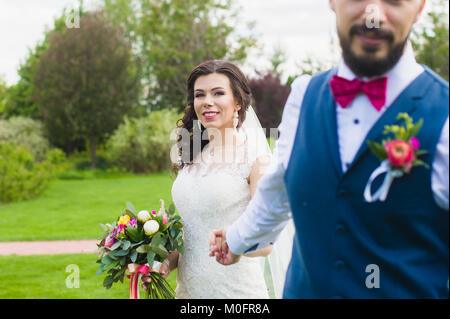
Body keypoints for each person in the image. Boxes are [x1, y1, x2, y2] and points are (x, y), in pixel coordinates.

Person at [209, 0, 449, 298]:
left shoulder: (445, 115)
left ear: (420, 6)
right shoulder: (303, 96)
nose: (373, 14)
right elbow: (278, 190)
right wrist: (235, 240)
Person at [144, 60, 275, 298]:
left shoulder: (257, 161)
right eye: (199, 94)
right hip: (188, 293)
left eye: (218, 93)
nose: (207, 101)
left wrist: (234, 242)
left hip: (236, 293)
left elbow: (266, 241)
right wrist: (163, 264)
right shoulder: (192, 155)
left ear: (238, 102)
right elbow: (190, 234)